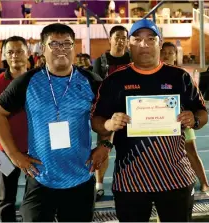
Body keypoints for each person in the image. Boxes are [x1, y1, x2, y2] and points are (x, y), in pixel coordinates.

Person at [92, 19, 208, 222]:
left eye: (150, 39)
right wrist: (109, 125)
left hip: (175, 176)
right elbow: (96, 120)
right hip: (130, 178)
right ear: (129, 43)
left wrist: (194, 120)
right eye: (137, 39)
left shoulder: (179, 77)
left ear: (160, 43)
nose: (144, 45)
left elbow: (202, 113)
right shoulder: (115, 80)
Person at [0, 23, 102, 222]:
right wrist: (14, 155)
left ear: (74, 47)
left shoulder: (91, 81)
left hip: (80, 178)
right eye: (54, 44)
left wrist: (106, 145)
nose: (61, 49)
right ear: (42, 49)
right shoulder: (26, 81)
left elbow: (106, 117)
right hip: (41, 178)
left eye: (67, 44)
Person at [161, 41, 209, 197]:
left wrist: (189, 117)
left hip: (181, 123)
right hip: (159, 125)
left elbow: (194, 102)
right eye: (163, 52)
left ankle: (204, 184)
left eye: (170, 53)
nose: (166, 55)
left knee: (191, 152)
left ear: (175, 55)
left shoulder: (181, 75)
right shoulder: (153, 74)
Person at [0, 36, 29, 222]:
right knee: (6, 200)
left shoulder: (38, 80)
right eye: (10, 52)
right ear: (3, 55)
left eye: (19, 51)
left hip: (36, 151)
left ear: (28, 53)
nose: (15, 56)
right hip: (5, 152)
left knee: (34, 198)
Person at [93, 25, 130, 201]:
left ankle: (128, 182)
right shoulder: (100, 61)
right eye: (117, 37)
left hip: (130, 113)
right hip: (107, 114)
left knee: (130, 150)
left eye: (124, 37)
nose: (121, 40)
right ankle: (99, 184)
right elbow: (95, 88)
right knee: (103, 148)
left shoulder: (133, 59)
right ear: (110, 39)